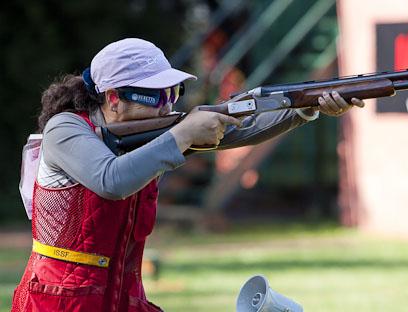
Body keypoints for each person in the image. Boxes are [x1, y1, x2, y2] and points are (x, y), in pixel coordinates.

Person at [11, 38, 364, 312]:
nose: (168, 104)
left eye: (173, 92)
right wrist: (182, 136)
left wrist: (305, 109)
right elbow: (111, 180)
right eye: (155, 95)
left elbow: (242, 131)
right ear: (114, 98)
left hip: (124, 297)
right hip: (59, 299)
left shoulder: (150, 132)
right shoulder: (65, 128)